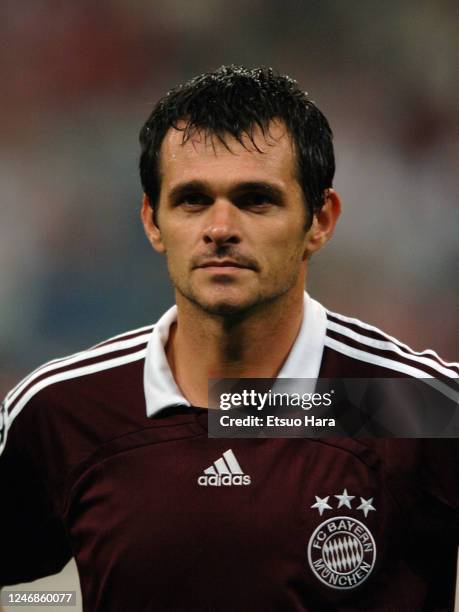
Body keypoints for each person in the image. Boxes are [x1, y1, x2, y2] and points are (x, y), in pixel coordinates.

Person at [0, 66, 457, 611]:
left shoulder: (411, 405)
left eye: (255, 199)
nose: (220, 227)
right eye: (192, 200)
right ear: (151, 220)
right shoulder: (62, 410)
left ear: (321, 220)